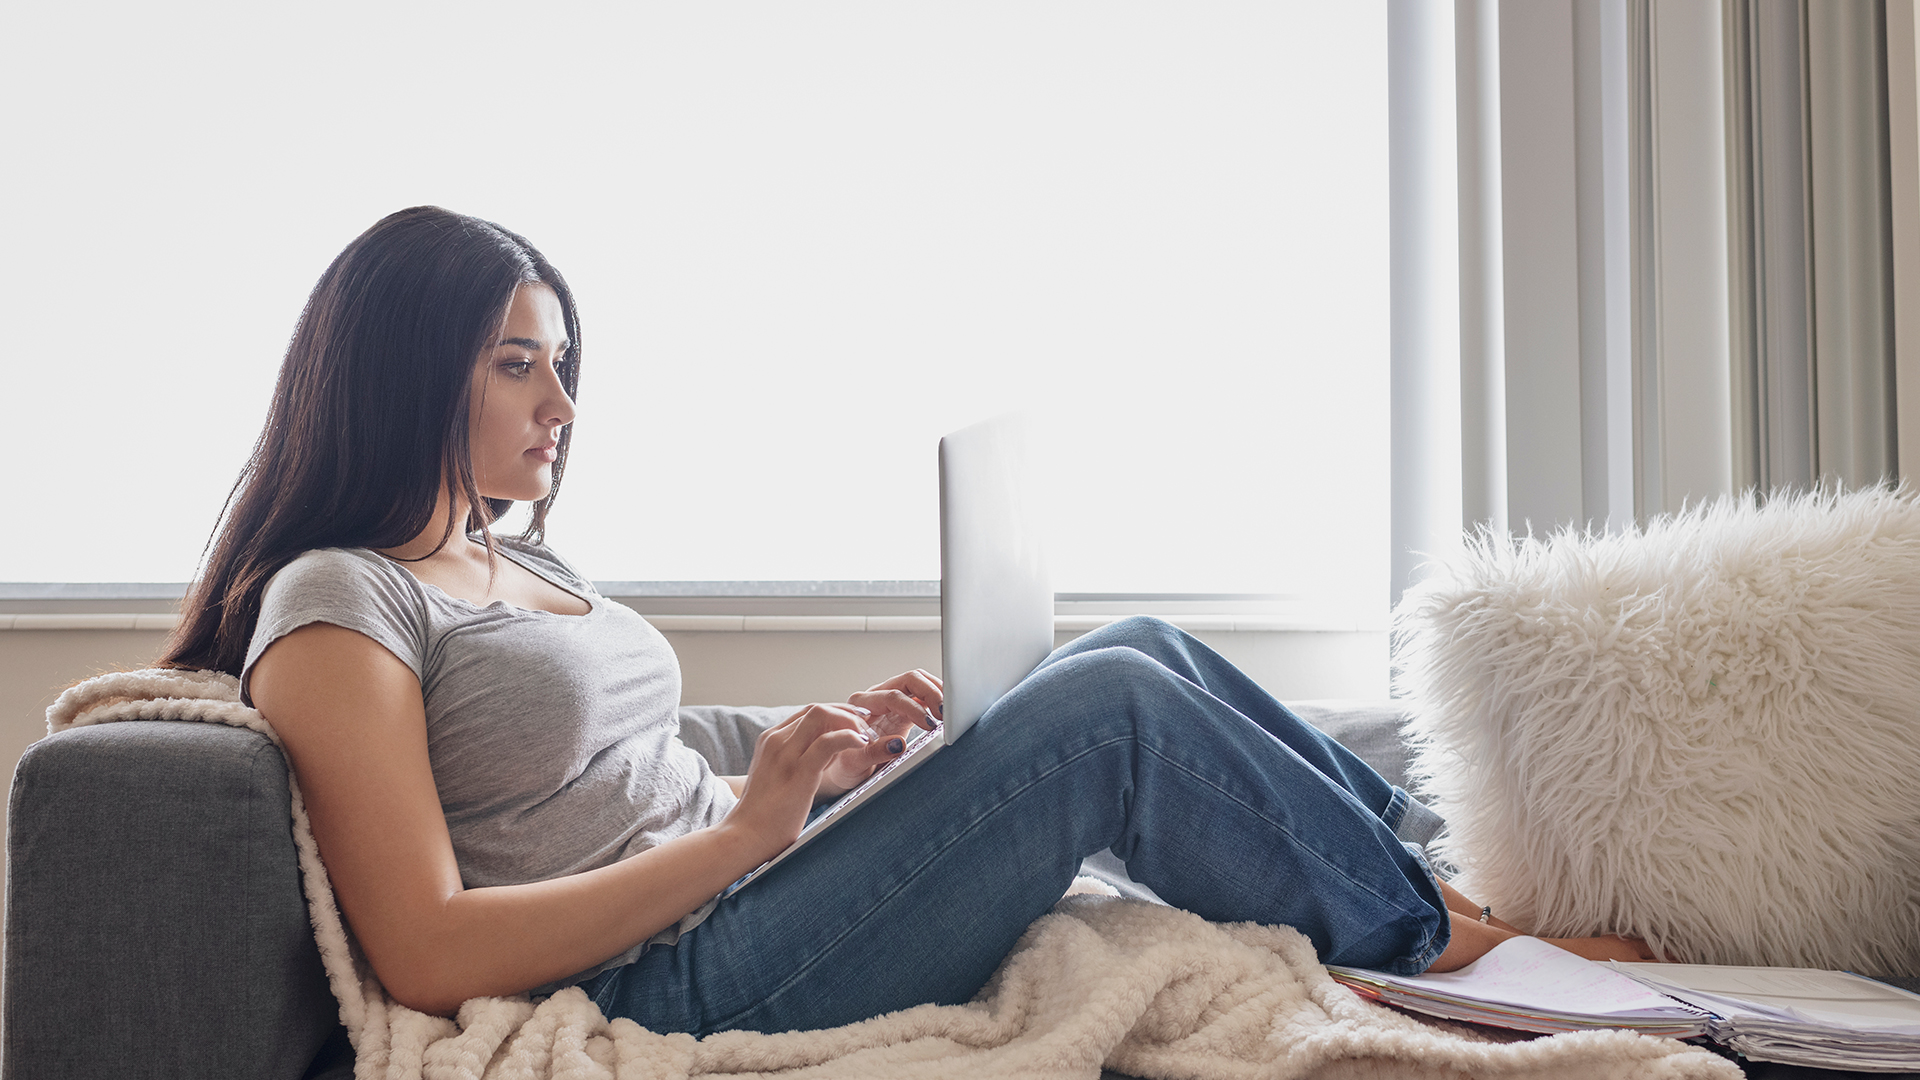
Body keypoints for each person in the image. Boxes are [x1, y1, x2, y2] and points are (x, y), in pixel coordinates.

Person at [160, 206, 1653, 1035]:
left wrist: (828, 760)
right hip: (673, 972)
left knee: (1125, 646)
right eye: (515, 365)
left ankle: (1449, 874)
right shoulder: (339, 599)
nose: (563, 404)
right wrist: (743, 840)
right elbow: (424, 949)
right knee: (1110, 719)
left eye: (562, 362)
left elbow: (623, 760)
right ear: (409, 369)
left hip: (757, 880)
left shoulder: (520, 568)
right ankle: (1456, 950)